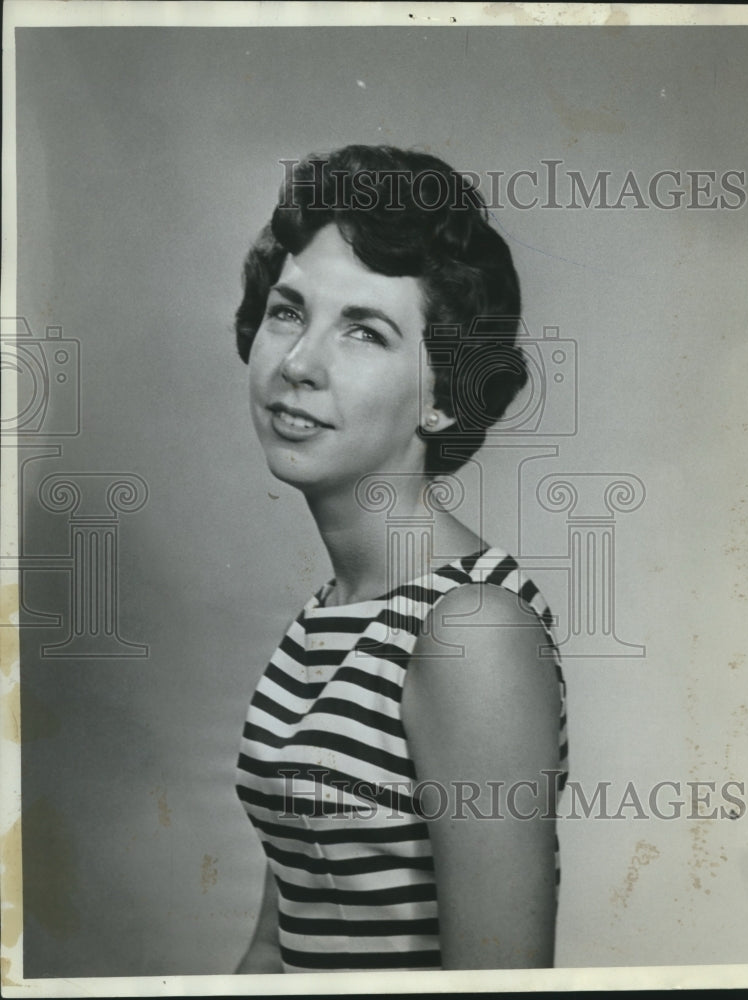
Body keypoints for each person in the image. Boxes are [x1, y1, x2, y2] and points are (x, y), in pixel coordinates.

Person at [233, 145, 568, 973]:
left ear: (444, 392)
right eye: (287, 311)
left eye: (364, 331)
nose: (298, 364)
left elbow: (500, 985)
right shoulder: (333, 613)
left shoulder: (473, 630)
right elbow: (278, 942)